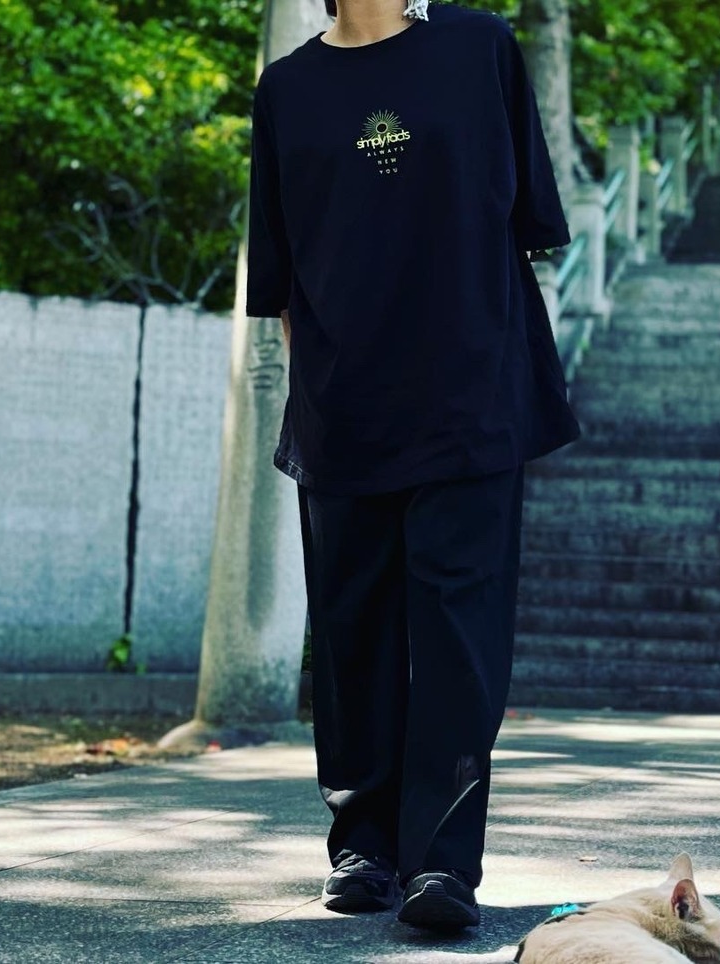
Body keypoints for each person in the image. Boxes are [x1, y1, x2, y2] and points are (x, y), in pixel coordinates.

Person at [244, 0, 580, 931]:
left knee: (458, 637)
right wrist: (320, 387)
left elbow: (525, 221)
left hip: (470, 393)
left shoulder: (481, 48)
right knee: (352, 634)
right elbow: (280, 274)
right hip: (345, 405)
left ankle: (442, 864)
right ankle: (363, 848)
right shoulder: (286, 90)